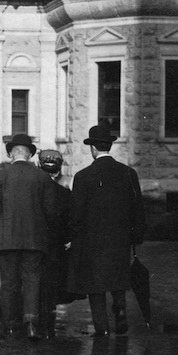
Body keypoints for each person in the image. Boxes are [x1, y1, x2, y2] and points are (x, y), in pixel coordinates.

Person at [67, 125, 146, 337]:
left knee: (96, 284)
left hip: (92, 240)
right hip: (120, 239)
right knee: (119, 277)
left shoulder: (83, 176)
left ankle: (101, 327)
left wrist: (73, 237)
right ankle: (120, 312)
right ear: (110, 146)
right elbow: (138, 208)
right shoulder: (128, 173)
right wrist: (136, 236)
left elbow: (76, 213)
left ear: (92, 148)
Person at [0, 133, 57, 340]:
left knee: (8, 282)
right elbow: (51, 211)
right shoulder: (42, 177)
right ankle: (31, 323)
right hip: (35, 239)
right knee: (32, 280)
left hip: (6, 238)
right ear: (30, 155)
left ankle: (9, 324)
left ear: (11, 154)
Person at [37, 149, 73, 338]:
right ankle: (49, 309)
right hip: (56, 243)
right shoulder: (64, 193)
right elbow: (70, 219)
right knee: (52, 277)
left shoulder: (33, 192)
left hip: (35, 240)